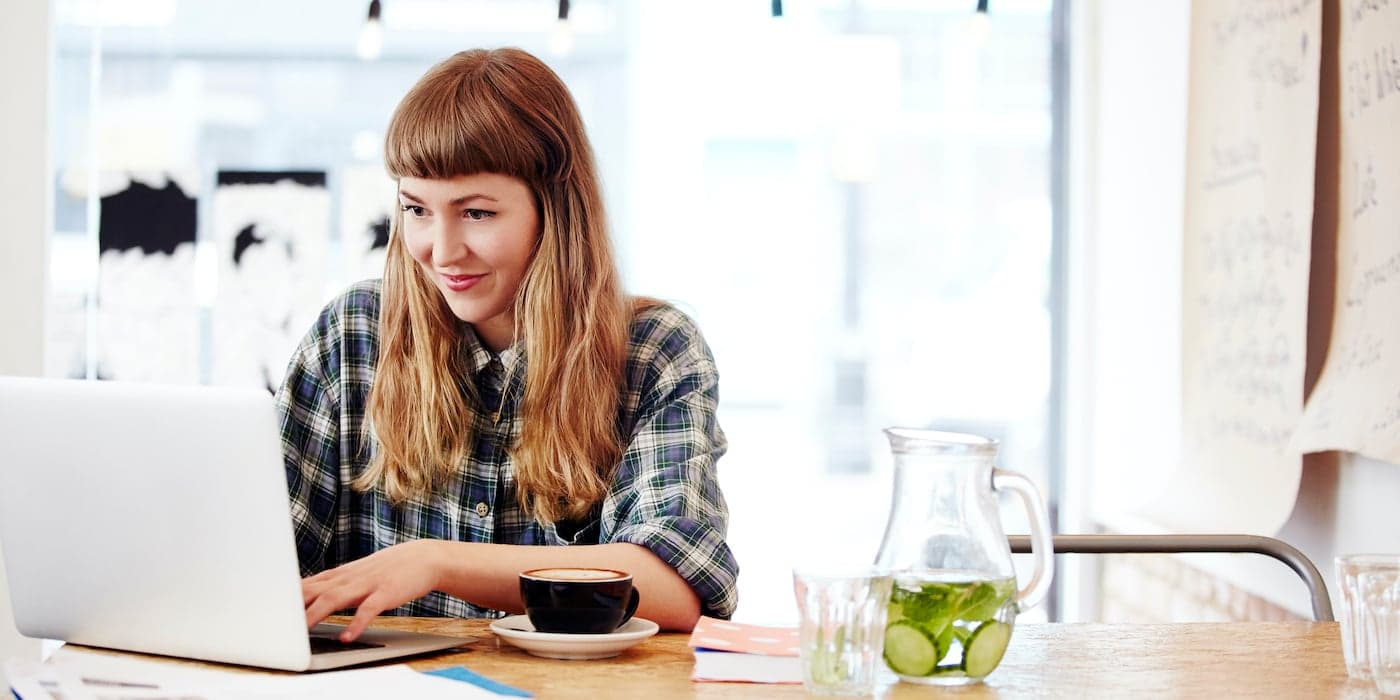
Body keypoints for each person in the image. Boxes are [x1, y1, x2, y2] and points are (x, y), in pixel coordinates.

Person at [275, 47, 738, 642]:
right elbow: (259, 559)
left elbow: (674, 586)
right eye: (416, 209)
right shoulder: (352, 335)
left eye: (476, 213)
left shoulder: (653, 351)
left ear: (555, 211)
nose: (440, 252)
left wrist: (436, 562)